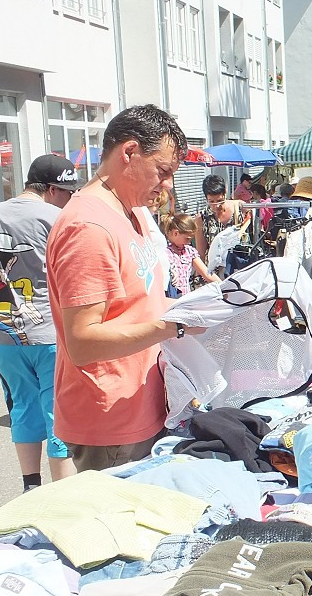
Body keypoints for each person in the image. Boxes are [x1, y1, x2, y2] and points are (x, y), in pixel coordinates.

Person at [47, 104, 202, 471]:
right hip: (112, 419)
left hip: (138, 406)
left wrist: (200, 305)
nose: (167, 186)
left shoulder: (131, 212)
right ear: (129, 152)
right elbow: (82, 342)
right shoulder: (88, 227)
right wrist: (176, 326)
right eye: (162, 172)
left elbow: (136, 304)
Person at [0, 155, 80, 490]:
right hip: (49, 331)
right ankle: (62, 500)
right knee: (57, 414)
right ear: (50, 189)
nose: (70, 199)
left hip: (4, 334)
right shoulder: (58, 219)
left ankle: (30, 486)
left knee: (22, 407)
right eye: (66, 191)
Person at [164, 213, 220, 296]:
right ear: (176, 233)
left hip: (186, 297)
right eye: (187, 239)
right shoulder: (164, 252)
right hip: (170, 297)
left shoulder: (189, 251)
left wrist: (223, 285)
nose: (189, 242)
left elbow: (206, 273)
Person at [194, 175, 238, 260]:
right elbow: (201, 253)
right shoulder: (202, 218)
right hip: (214, 269)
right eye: (211, 202)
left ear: (225, 193)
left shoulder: (237, 209)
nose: (216, 205)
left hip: (237, 266)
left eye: (219, 200)